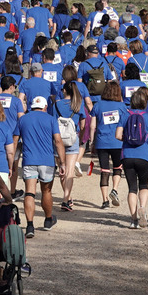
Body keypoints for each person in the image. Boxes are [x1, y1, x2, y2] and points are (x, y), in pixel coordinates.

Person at [18, 96, 66, 238]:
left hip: (29, 160)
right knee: (46, 191)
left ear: (32, 107)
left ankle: (30, 225)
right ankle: (48, 220)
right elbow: (58, 141)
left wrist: (12, 163)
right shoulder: (51, 119)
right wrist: (62, 162)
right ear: (45, 107)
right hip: (46, 161)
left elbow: (15, 141)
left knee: (29, 193)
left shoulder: (23, 119)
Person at [115, 89, 148, 229]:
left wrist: (127, 139)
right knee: (144, 185)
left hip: (127, 155)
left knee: (132, 188)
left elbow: (117, 135)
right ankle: (143, 207)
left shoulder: (124, 115)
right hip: (143, 156)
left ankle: (133, 219)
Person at [90, 81, 128, 210]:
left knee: (104, 170)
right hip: (117, 142)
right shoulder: (122, 106)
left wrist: (91, 141)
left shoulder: (97, 105)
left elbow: (92, 126)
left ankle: (105, 200)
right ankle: (115, 189)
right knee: (117, 167)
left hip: (101, 142)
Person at [50, 81, 86, 212]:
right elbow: (82, 125)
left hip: (58, 140)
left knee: (62, 171)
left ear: (65, 90)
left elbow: (52, 122)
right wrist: (80, 137)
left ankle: (68, 197)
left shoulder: (56, 105)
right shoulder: (77, 105)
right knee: (70, 172)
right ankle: (66, 199)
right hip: (72, 139)